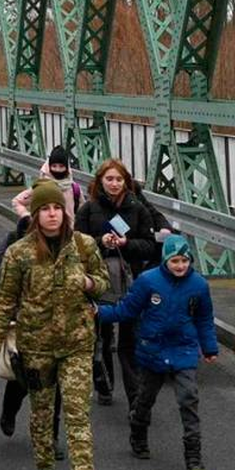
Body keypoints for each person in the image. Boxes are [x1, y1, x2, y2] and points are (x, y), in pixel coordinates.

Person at [0, 180, 108, 470]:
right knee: (41, 411)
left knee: (77, 414)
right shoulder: (19, 253)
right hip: (36, 346)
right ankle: (46, 469)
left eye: (57, 209)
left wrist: (90, 283)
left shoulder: (83, 246)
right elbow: (4, 302)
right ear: (35, 215)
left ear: (65, 213)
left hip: (76, 343)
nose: (52, 215)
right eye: (45, 210)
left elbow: (103, 282)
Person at [98, 234, 218, 470]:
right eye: (175, 261)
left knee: (188, 399)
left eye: (184, 261)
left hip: (183, 349)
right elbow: (127, 309)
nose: (180, 266)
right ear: (166, 261)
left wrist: (209, 348)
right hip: (153, 349)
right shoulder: (148, 281)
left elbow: (204, 319)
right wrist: (98, 313)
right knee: (145, 398)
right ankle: (138, 432)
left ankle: (193, 456)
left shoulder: (198, 285)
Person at [0, 214, 66, 459]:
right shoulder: (12, 242)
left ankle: (51, 436)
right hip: (21, 323)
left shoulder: (65, 241)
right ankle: (10, 409)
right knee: (23, 376)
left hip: (55, 324)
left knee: (55, 382)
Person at [75, 158, 157, 407]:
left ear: (126, 182)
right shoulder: (88, 209)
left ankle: (135, 396)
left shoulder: (137, 209)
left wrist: (125, 244)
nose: (114, 184)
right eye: (109, 179)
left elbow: (149, 246)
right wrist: (101, 242)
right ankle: (105, 385)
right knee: (101, 334)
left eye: (119, 179)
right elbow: (77, 244)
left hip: (131, 279)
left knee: (129, 337)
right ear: (100, 181)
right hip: (99, 278)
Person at [12, 146, 82, 218]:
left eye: (61, 166)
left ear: (67, 168)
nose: (57, 170)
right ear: (49, 167)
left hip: (68, 228)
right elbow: (17, 201)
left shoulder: (75, 189)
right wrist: (26, 216)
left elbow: (83, 212)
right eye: (54, 166)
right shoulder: (41, 187)